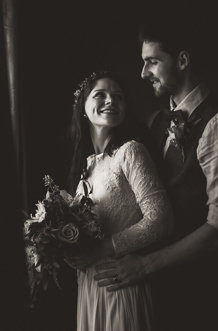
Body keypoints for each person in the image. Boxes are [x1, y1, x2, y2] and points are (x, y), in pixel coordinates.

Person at [93, 22, 218, 330]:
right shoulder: (155, 121)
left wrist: (146, 264)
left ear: (182, 61)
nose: (143, 74)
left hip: (205, 295)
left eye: (152, 62)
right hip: (158, 294)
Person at [64, 70, 174, 330]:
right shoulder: (85, 169)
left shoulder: (130, 152)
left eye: (118, 96)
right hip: (89, 288)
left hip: (121, 284)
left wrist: (102, 250)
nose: (111, 101)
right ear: (82, 106)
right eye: (100, 94)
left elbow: (162, 219)